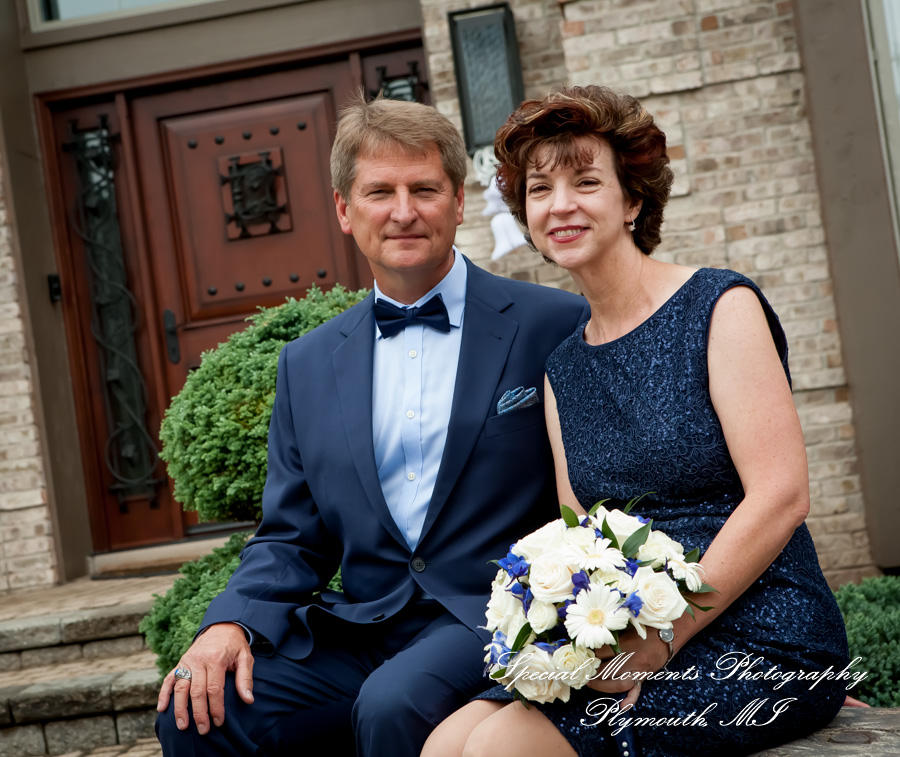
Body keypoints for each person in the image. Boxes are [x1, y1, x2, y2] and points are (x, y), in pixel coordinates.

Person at [153, 93, 588, 756]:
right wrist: (230, 622)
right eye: (379, 191)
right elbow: (291, 536)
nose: (404, 211)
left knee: (393, 703)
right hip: (363, 625)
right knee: (198, 711)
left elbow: (591, 496)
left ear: (459, 201)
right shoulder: (305, 363)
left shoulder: (550, 323)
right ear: (343, 209)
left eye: (425, 188)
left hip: (492, 614)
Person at [423, 86, 851, 757]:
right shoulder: (562, 368)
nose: (559, 204)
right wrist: (563, 644)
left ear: (632, 199)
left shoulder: (719, 305)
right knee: (445, 744)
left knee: (494, 750)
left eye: (585, 181)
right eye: (540, 189)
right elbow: (579, 537)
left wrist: (664, 636)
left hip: (762, 634)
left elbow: (782, 495)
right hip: (629, 635)